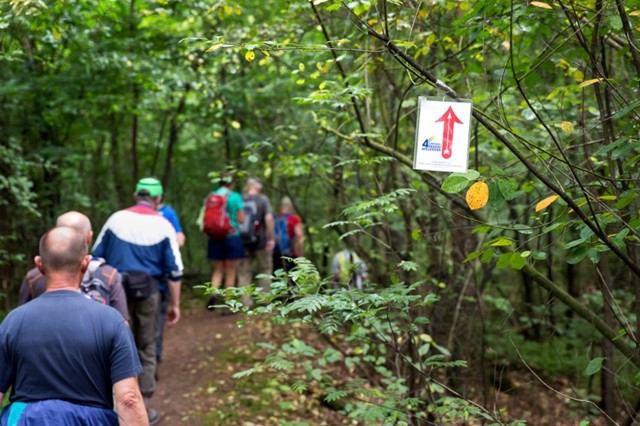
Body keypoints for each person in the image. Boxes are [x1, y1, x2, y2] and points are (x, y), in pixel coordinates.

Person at [0, 227, 147, 425]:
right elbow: (128, 398)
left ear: (39, 264)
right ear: (86, 263)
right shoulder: (111, 321)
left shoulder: (13, 321)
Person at [93, 177, 183, 425]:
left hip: (116, 290)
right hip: (150, 292)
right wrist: (175, 304)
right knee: (147, 344)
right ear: (158, 199)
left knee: (114, 345)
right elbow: (175, 270)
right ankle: (142, 404)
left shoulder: (115, 219)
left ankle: (112, 403)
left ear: (136, 196)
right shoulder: (163, 224)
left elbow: (95, 257)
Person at [18, 211, 129, 322]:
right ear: (89, 237)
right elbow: (123, 324)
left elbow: (20, 321)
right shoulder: (108, 275)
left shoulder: (34, 277)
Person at [201, 170, 245, 311]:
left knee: (218, 269)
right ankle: (228, 302)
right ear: (232, 182)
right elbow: (241, 219)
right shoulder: (235, 197)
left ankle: (213, 293)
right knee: (231, 271)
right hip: (232, 237)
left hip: (214, 237)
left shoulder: (211, 196)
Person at [237, 178, 275, 307]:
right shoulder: (263, 199)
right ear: (257, 186)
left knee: (243, 272)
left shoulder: (240, 199)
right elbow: (268, 218)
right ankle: (264, 302)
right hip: (261, 241)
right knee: (264, 269)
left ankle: (245, 302)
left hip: (242, 242)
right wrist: (271, 238)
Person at [157, 202, 185, 363]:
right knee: (156, 318)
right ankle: (154, 357)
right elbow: (179, 240)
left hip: (126, 279)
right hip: (158, 279)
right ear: (158, 197)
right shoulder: (167, 212)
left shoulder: (128, 216)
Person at [273, 196, 305, 274]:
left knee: (277, 277)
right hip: (290, 254)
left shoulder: (275, 218)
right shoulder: (293, 219)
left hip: (275, 253)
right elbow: (299, 236)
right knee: (292, 279)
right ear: (290, 206)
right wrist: (300, 255)